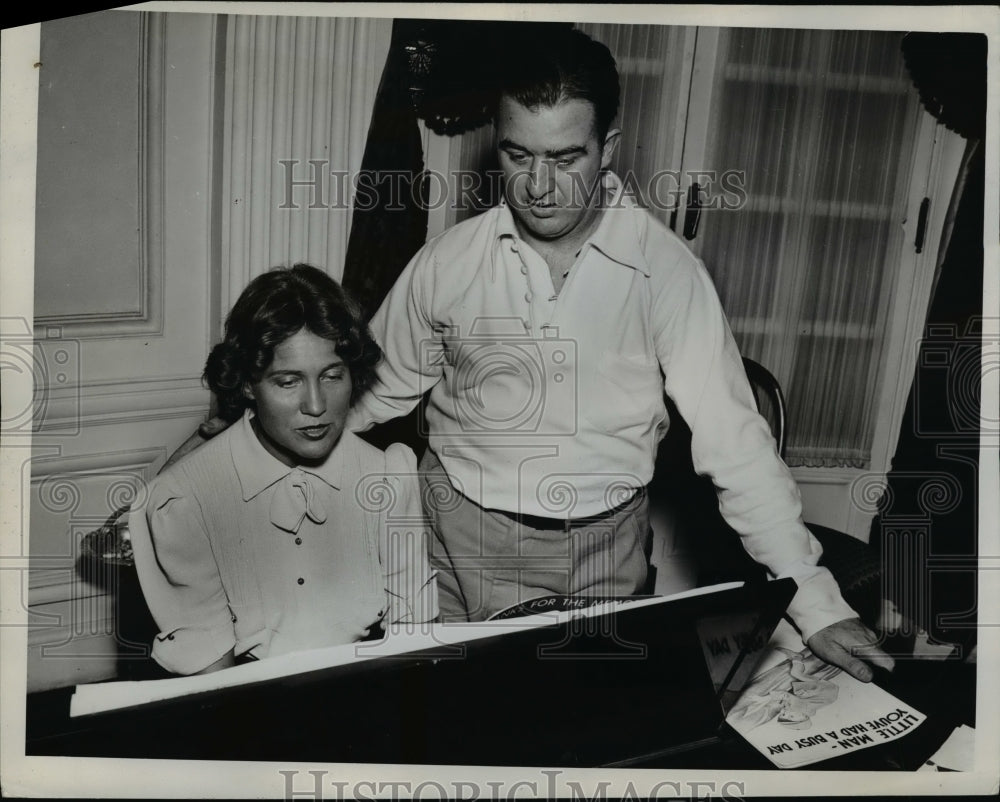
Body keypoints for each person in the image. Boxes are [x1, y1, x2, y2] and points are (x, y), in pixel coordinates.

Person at [174, 27, 892, 681]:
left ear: (609, 147)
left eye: (565, 157)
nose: (538, 186)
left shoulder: (665, 274)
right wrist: (233, 443)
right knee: (463, 730)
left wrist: (819, 605)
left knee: (592, 728)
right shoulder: (447, 264)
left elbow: (737, 446)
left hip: (605, 551)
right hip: (458, 541)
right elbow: (367, 395)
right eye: (518, 155)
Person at [130, 265, 437, 675]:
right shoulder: (185, 501)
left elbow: (414, 645)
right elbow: (210, 685)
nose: (315, 405)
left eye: (332, 376)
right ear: (246, 385)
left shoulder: (387, 477)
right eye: (288, 381)